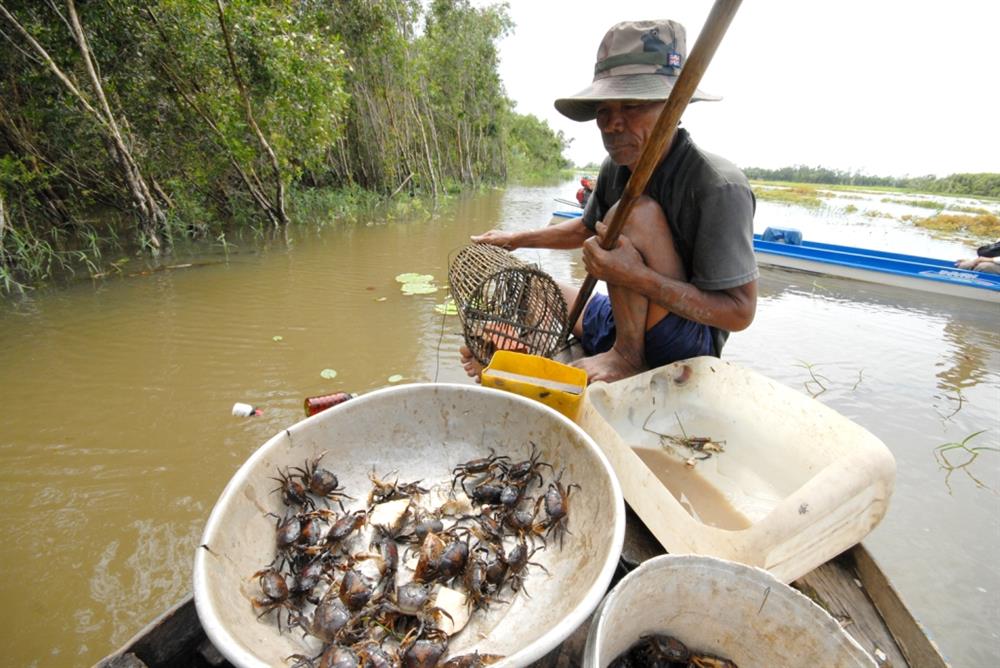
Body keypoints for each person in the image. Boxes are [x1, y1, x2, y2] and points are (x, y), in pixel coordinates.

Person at [461, 19, 758, 383]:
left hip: (681, 342)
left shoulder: (718, 185)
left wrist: (636, 277)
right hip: (621, 321)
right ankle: (519, 355)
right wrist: (516, 240)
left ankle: (626, 357)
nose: (613, 124)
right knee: (531, 285)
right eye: (604, 110)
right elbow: (586, 228)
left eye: (633, 105)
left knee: (636, 213)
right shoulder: (616, 167)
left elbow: (739, 313)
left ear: (674, 109)